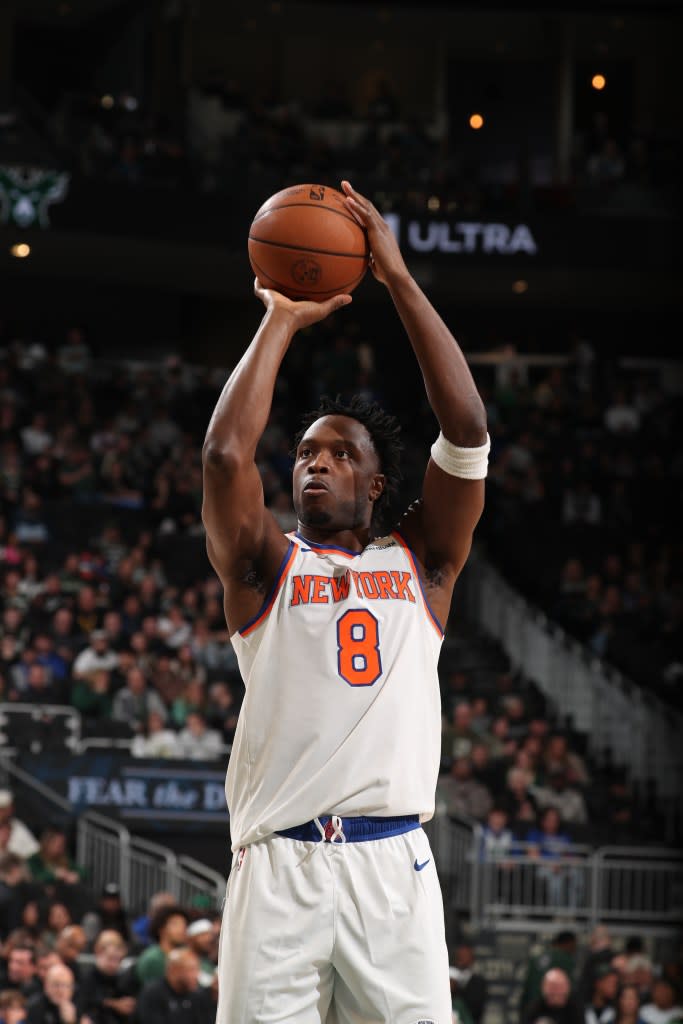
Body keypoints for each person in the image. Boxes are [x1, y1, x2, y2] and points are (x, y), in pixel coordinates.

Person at [201, 178, 489, 1022]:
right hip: (280, 867)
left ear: (378, 482)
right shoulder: (261, 565)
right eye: (302, 453)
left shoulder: (424, 561)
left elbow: (467, 431)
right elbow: (224, 457)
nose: (313, 464)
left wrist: (396, 278)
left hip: (390, 865)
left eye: (337, 453)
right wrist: (280, 319)